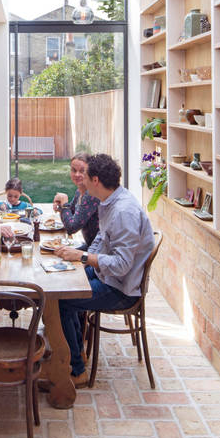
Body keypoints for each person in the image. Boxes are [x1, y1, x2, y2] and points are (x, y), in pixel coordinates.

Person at [53, 153, 155, 387]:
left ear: (96, 180)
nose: (82, 182)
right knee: (66, 277)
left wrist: (85, 256)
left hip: (120, 288)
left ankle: (76, 369)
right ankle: (75, 351)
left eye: (85, 177)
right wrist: (80, 260)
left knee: (61, 300)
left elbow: (121, 266)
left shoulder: (123, 212)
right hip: (107, 275)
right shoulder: (110, 201)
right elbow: (100, 237)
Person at [51, 153, 99, 248]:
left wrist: (64, 204)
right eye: (74, 170)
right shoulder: (79, 191)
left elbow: (71, 228)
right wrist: (61, 207)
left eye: (82, 171)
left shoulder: (91, 195)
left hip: (97, 252)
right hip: (89, 245)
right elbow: (71, 214)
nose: (77, 174)